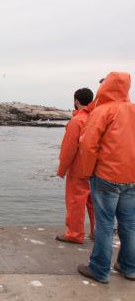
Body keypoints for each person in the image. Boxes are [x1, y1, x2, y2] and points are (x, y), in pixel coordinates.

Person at [77, 72, 135, 283]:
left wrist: (87, 171)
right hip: (132, 177)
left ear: (105, 87)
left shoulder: (103, 111)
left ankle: (100, 270)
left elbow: (88, 144)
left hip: (107, 175)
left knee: (105, 224)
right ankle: (129, 268)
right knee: (129, 224)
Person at [56, 88, 95, 244]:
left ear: (76, 101)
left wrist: (61, 170)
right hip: (96, 169)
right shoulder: (97, 118)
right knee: (95, 202)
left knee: (76, 202)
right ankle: (96, 232)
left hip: (79, 169)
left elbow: (69, 149)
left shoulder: (77, 121)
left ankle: (74, 234)